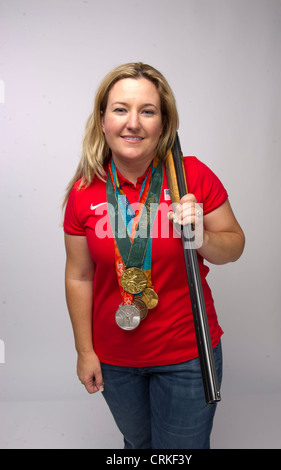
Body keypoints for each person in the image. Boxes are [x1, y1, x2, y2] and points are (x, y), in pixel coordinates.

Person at [62, 62, 245, 449]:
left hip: (187, 354)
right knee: (138, 446)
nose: (133, 123)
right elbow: (79, 276)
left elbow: (235, 245)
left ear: (163, 123)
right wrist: (84, 352)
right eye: (120, 109)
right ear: (102, 120)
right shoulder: (83, 191)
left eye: (147, 111)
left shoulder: (191, 176)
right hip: (115, 357)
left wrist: (202, 238)